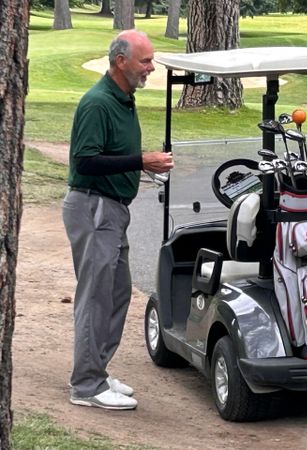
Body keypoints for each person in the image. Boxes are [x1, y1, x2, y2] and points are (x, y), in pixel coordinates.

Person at [63, 30, 174, 410]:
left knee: (117, 292)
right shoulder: (97, 103)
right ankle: (86, 385)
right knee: (96, 297)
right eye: (145, 61)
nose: (151, 67)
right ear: (120, 61)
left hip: (112, 211)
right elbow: (85, 162)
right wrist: (141, 161)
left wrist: (142, 167)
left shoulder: (123, 98)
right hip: (93, 208)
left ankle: (96, 370)